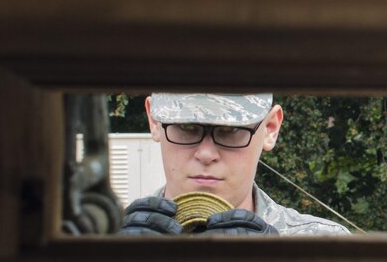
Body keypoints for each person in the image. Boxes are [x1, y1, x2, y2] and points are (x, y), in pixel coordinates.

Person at [119, 93, 349, 237]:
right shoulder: (100, 243)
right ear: (155, 122)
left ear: (270, 128)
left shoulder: (323, 247)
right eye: (187, 128)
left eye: (230, 131)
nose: (206, 154)